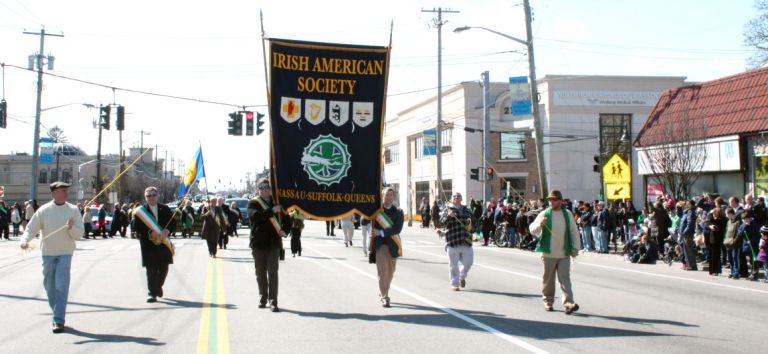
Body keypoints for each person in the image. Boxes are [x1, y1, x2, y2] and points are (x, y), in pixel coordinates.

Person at [19, 182, 84, 333]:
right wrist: (24, 241)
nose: (66, 193)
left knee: (61, 286)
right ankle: (57, 312)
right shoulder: (44, 210)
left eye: (67, 190)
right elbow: (31, 228)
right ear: (54, 193)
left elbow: (79, 233)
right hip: (48, 253)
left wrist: (70, 228)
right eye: (62, 190)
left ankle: (58, 320)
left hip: (65, 253)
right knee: (49, 287)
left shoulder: (73, 210)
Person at [529, 190, 582, 314]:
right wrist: (540, 226)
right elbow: (532, 230)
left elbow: (574, 231)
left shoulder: (567, 214)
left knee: (565, 279)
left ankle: (568, 303)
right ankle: (548, 301)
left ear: (561, 201)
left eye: (554, 200)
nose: (551, 202)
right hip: (548, 253)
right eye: (550, 200)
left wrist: (576, 248)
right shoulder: (544, 214)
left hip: (564, 253)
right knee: (548, 280)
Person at [248, 178, 289, 312]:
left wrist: (285, 231)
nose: (265, 189)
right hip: (258, 243)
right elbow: (256, 217)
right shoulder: (253, 203)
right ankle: (263, 297)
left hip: (273, 243)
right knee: (260, 273)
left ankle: (273, 300)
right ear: (257, 189)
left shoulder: (277, 202)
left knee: (273, 273)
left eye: (267, 187)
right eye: (262, 187)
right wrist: (272, 210)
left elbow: (288, 218)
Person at [133, 186, 174, 303]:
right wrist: (150, 232)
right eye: (148, 195)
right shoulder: (140, 211)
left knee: (164, 268)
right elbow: (136, 226)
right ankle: (152, 293)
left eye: (153, 195)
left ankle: (158, 287)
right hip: (148, 244)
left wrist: (167, 230)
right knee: (151, 269)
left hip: (163, 243)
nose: (151, 197)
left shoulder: (165, 208)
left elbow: (173, 222)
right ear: (145, 197)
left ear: (157, 196)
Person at [370, 187, 403, 307]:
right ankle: (385, 296)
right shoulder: (377, 211)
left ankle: (383, 290)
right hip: (380, 245)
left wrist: (381, 232)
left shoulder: (398, 211)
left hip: (393, 245)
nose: (389, 197)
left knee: (390, 272)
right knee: (382, 271)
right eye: (386, 195)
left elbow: (397, 229)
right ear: (382, 196)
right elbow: (363, 221)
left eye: (391, 195)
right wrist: (367, 210)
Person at [438, 192, 475, 291]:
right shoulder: (447, 210)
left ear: (461, 199)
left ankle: (462, 276)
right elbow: (441, 223)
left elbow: (475, 223)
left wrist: (472, 228)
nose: (456, 198)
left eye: (458, 196)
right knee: (453, 265)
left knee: (469, 262)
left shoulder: (467, 210)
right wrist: (449, 216)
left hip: (466, 241)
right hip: (453, 241)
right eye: (454, 196)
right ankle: (454, 283)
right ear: (451, 199)